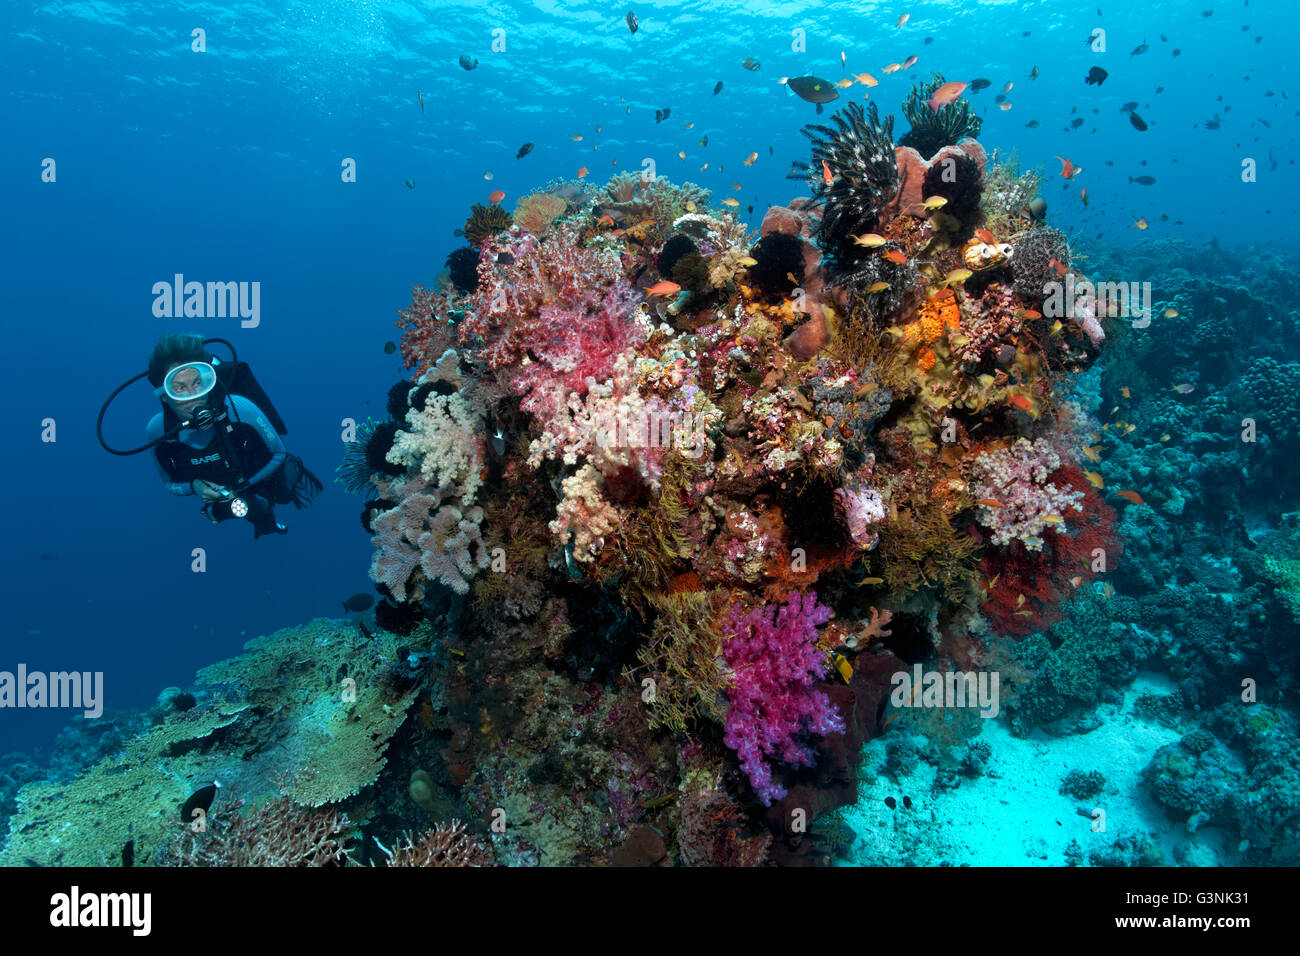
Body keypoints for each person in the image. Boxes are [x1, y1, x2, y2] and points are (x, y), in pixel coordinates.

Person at [144, 333, 321, 537]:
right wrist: (196, 487)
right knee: (247, 512)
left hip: (254, 472)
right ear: (164, 395)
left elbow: (278, 453)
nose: (194, 396)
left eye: (198, 382)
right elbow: (168, 482)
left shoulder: (241, 408)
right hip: (220, 484)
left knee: (283, 494)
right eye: (179, 388)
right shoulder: (157, 431)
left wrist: (240, 486)